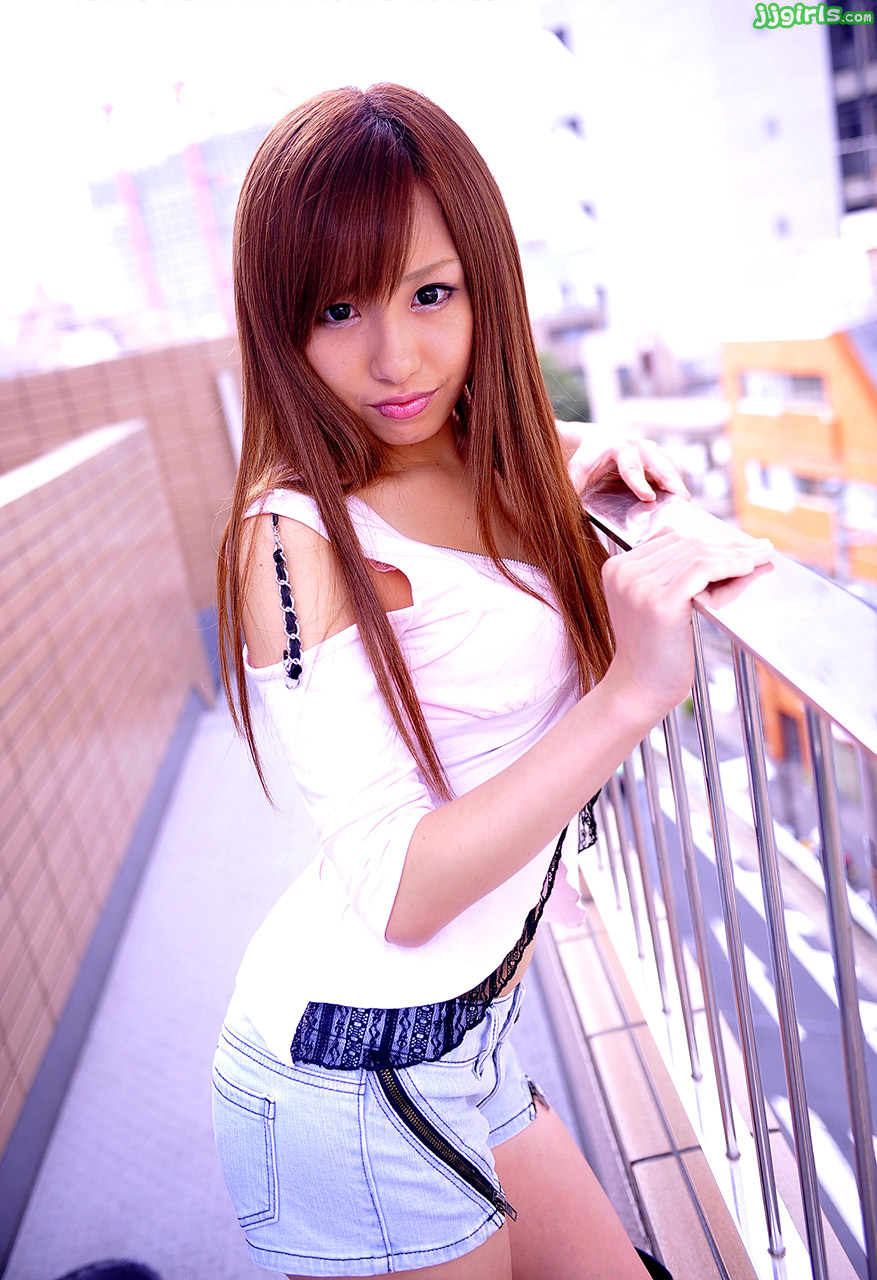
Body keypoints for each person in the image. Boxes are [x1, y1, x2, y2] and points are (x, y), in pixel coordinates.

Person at [213, 83, 772, 1280]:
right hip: (352, 1070)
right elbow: (399, 889)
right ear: (279, 321)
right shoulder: (293, 541)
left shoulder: (482, 448)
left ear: (484, 286)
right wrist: (628, 695)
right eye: (336, 307)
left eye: (430, 293)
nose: (395, 356)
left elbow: (525, 465)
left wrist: (600, 458)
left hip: (466, 1037)